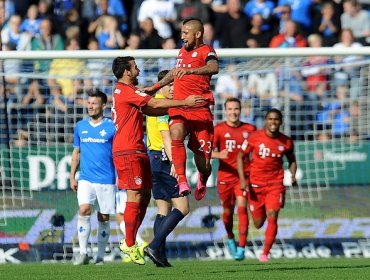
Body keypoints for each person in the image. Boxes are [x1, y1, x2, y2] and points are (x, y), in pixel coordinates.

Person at [111, 56, 204, 265]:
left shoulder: (129, 92)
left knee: (144, 197)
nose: (139, 69)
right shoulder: (125, 91)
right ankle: (129, 243)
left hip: (138, 149)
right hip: (127, 151)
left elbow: (150, 106)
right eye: (135, 67)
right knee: (134, 196)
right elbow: (153, 103)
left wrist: (172, 98)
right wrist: (184, 102)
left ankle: (139, 244)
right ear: (126, 71)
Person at [144, 18, 219, 201]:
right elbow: (175, 72)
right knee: (175, 132)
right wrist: (155, 87)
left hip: (200, 109)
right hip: (181, 105)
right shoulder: (182, 51)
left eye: (186, 33)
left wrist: (192, 71)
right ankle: (182, 180)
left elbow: (214, 67)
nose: (182, 36)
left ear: (198, 34)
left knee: (203, 164)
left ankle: (204, 176)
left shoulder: (207, 50)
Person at [236, 108, 297, 263]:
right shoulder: (255, 137)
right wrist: (243, 180)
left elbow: (292, 161)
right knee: (258, 223)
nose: (273, 122)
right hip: (256, 185)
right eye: (270, 119)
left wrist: (292, 175)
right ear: (266, 120)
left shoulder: (287, 141)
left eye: (276, 119)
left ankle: (265, 253)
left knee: (272, 215)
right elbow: (240, 156)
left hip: (275, 184)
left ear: (281, 122)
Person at [145, 70, 190, 267]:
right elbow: (166, 137)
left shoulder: (156, 103)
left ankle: (160, 256)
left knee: (163, 210)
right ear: (161, 85)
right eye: (169, 84)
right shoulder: (161, 107)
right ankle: (154, 246)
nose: (172, 88)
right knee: (183, 207)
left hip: (153, 159)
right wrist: (175, 163)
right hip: (164, 159)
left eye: (174, 85)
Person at [70, 89, 116, 265]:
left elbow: (118, 152)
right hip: (85, 178)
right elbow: (76, 152)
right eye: (88, 103)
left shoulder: (112, 126)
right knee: (84, 210)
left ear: (103, 106)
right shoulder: (81, 126)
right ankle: (83, 253)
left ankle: (100, 256)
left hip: (106, 178)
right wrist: (72, 175)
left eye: (94, 103)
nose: (90, 106)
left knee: (103, 217)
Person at [213, 97, 256, 260]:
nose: (233, 112)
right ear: (226, 111)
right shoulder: (219, 130)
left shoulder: (250, 129)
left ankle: (242, 247)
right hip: (224, 178)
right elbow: (205, 151)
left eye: (236, 109)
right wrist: (219, 154)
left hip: (242, 177)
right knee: (227, 213)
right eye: (230, 109)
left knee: (242, 208)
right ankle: (230, 238)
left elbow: (257, 150)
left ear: (240, 110)